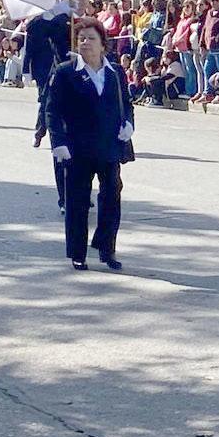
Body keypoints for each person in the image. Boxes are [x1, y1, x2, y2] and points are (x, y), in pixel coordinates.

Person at [48, 17, 134, 271]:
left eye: (91, 38)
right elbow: (53, 110)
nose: (85, 42)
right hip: (77, 148)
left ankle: (107, 248)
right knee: (77, 202)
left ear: (103, 44)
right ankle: (78, 253)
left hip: (109, 145)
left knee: (112, 197)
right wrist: (58, 142)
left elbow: (126, 103)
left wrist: (128, 124)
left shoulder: (115, 72)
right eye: (81, 38)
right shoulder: (66, 72)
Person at [26, 0, 90, 213]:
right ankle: (66, 197)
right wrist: (53, 12)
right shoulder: (59, 21)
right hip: (61, 86)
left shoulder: (91, 23)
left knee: (85, 148)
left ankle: (81, 190)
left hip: (87, 89)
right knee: (62, 146)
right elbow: (34, 31)